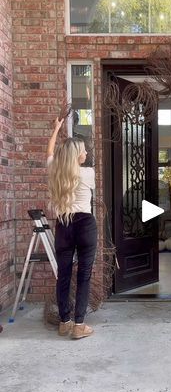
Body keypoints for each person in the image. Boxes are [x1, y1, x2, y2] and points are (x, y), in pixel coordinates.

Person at [47, 117, 97, 339]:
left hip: (63, 224)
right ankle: (79, 326)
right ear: (77, 155)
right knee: (84, 275)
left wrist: (56, 130)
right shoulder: (88, 173)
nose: (86, 154)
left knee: (64, 275)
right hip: (85, 224)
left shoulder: (55, 172)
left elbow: (50, 154)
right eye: (84, 151)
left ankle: (64, 322)